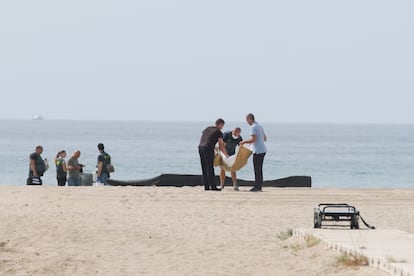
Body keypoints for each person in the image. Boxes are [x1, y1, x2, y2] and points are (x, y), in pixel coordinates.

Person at [198, 118, 229, 191]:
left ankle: (206, 186)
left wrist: (213, 147)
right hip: (208, 148)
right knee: (210, 168)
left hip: (200, 147)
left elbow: (206, 138)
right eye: (222, 126)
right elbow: (221, 145)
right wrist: (226, 155)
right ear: (220, 124)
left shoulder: (207, 128)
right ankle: (213, 187)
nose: (222, 127)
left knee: (204, 167)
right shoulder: (218, 132)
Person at [240, 113, 267, 192]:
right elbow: (265, 138)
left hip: (258, 151)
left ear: (249, 119)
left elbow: (254, 139)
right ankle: (259, 186)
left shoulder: (253, 127)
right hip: (263, 149)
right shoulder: (259, 126)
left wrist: (244, 142)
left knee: (257, 169)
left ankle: (257, 187)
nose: (247, 122)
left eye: (247, 120)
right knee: (259, 169)